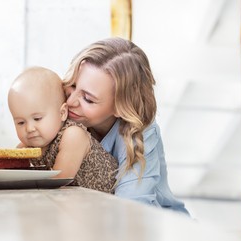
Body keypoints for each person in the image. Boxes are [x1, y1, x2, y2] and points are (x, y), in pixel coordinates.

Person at [63, 37, 189, 215]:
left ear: (120, 107)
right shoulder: (63, 112)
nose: (70, 101)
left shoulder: (140, 134)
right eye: (72, 85)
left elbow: (132, 210)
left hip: (159, 226)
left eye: (88, 99)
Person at [7, 66, 118, 193]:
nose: (29, 128)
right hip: (71, 203)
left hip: (105, 204)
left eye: (37, 119)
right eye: (20, 122)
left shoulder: (73, 135)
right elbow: (10, 176)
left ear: (62, 113)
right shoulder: (26, 148)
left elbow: (58, 181)